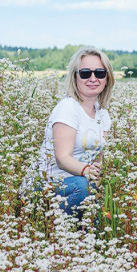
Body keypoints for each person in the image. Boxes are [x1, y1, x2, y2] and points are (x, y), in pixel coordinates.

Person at [20, 46, 114, 218]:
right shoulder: (68, 108)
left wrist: (98, 178)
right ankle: (62, 234)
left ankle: (90, 241)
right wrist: (87, 172)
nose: (93, 78)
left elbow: (99, 160)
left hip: (80, 183)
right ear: (75, 77)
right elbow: (62, 159)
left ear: (107, 78)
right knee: (82, 186)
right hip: (48, 184)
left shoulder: (103, 114)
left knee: (101, 191)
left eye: (100, 73)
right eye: (85, 73)